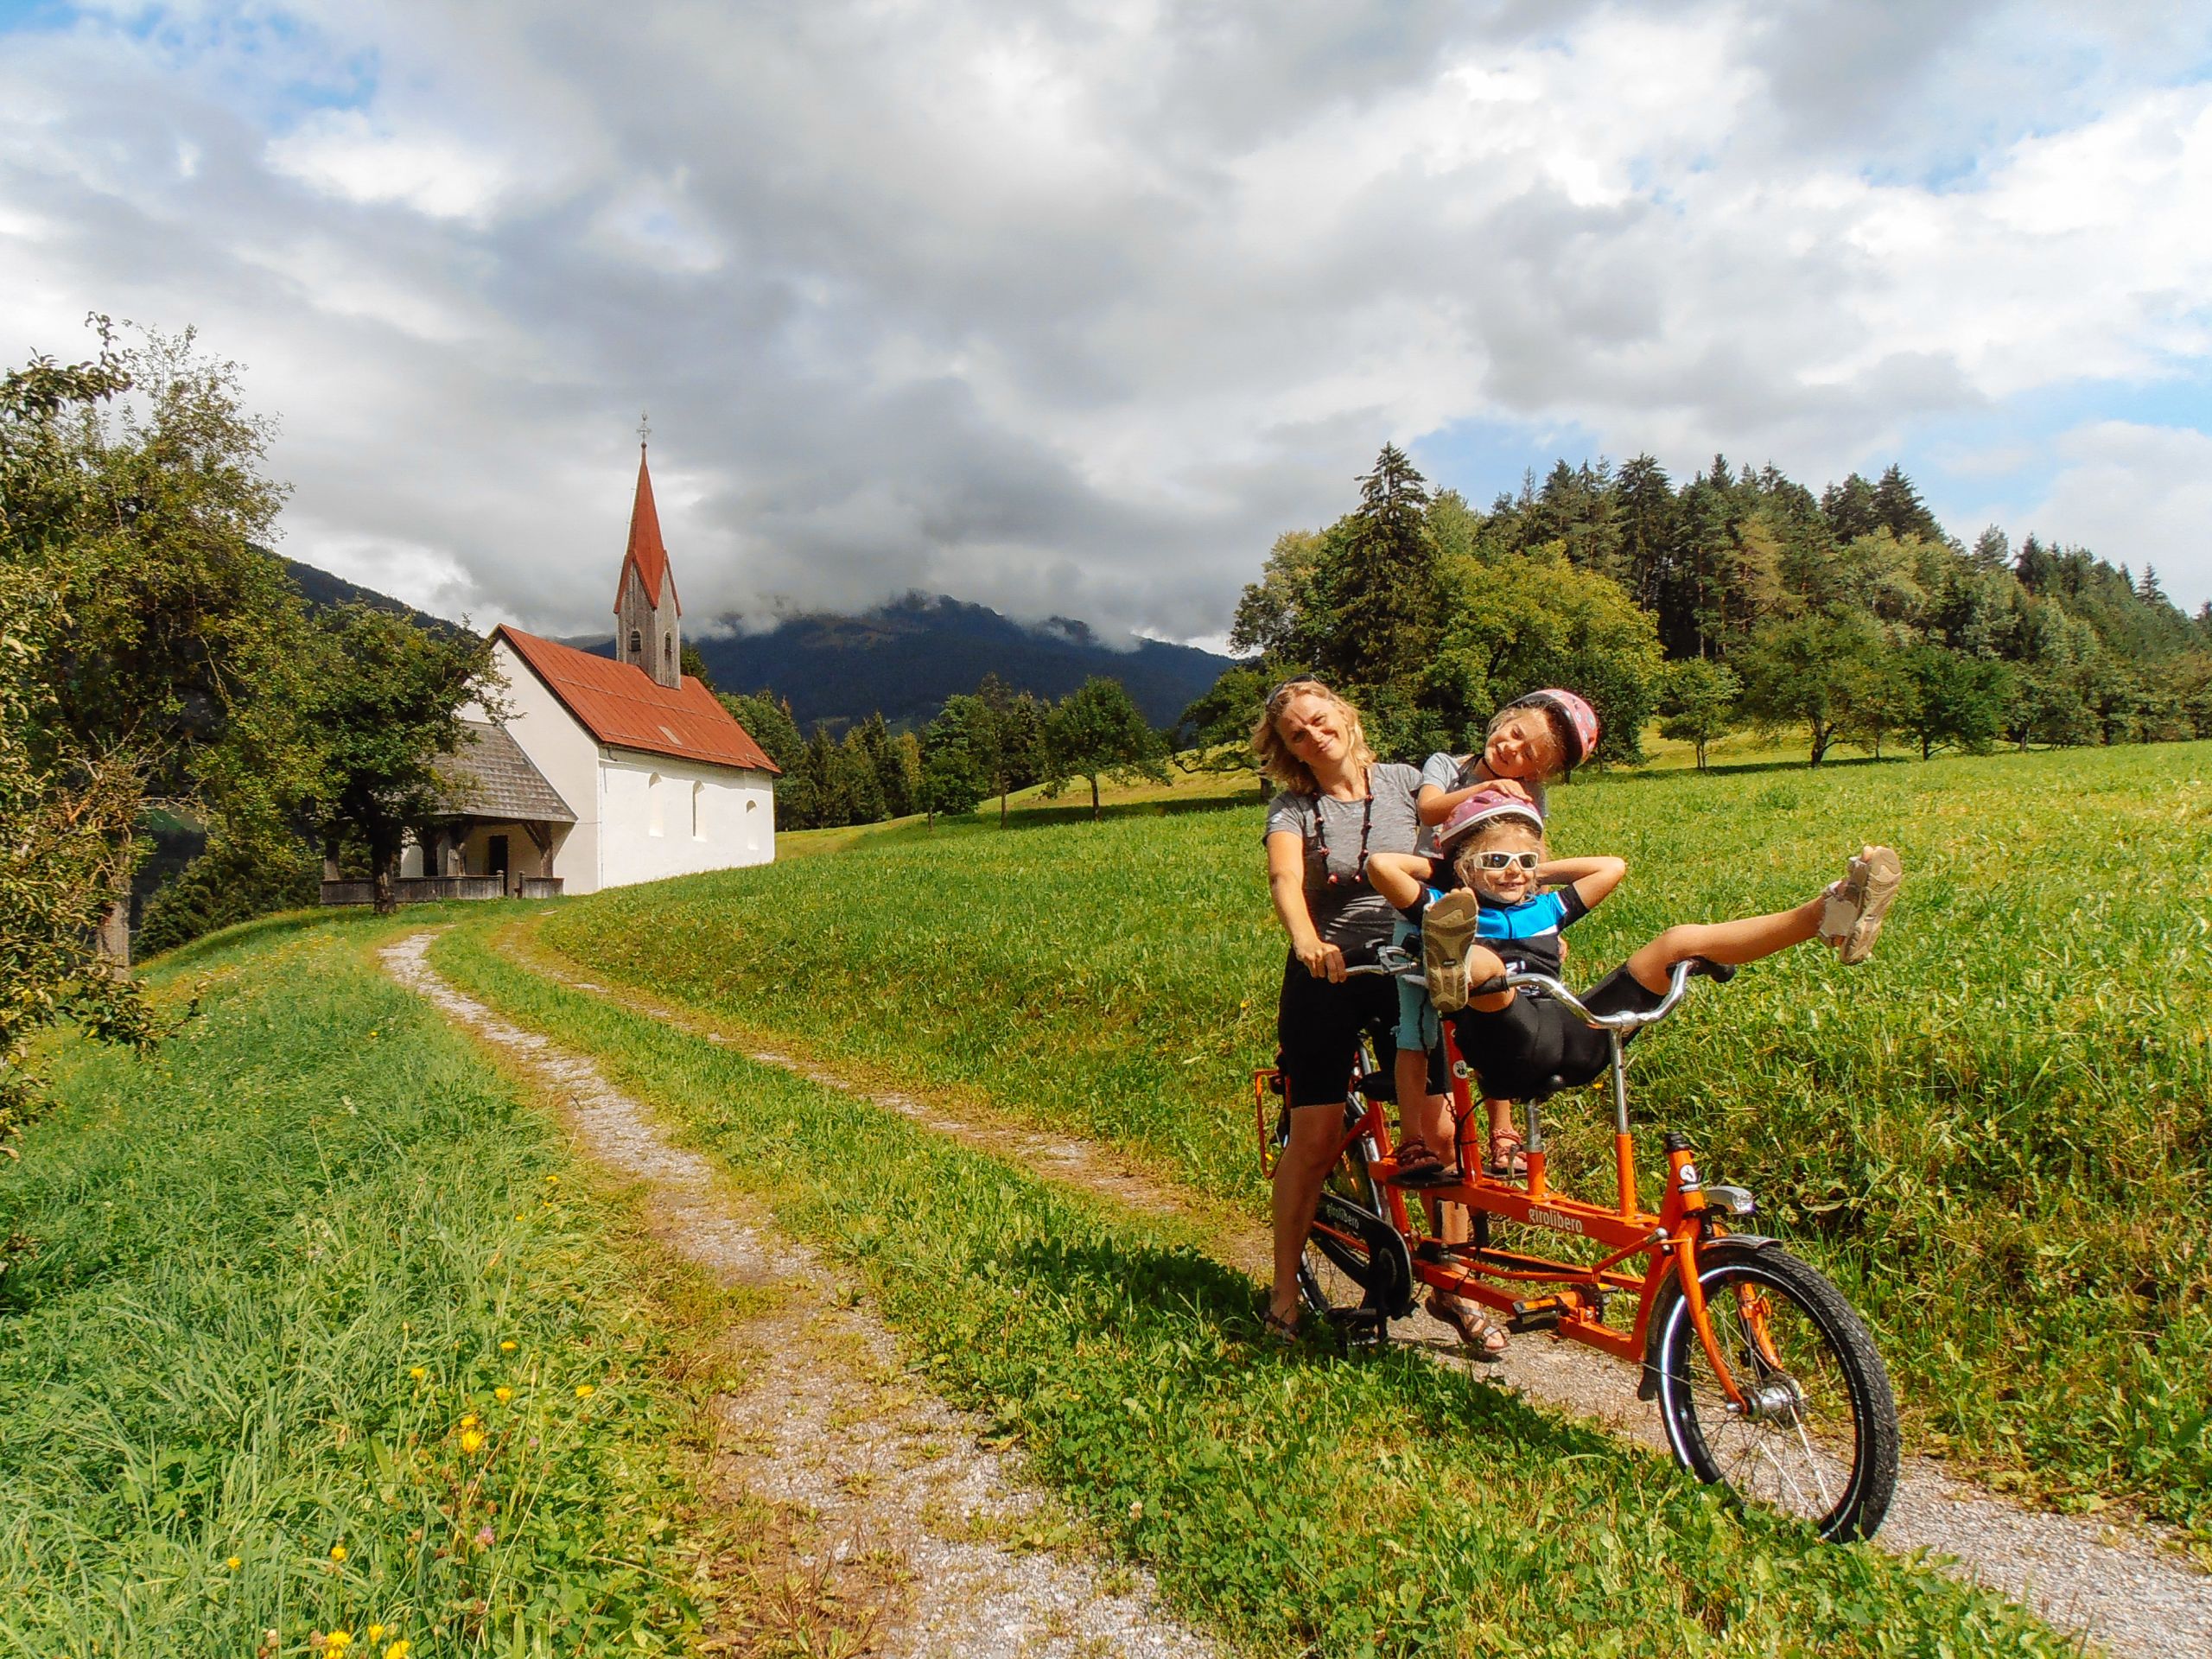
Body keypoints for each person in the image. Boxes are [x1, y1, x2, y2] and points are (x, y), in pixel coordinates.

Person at [1365, 791, 1903, 1112]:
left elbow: (1611, 867)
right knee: (1485, 965)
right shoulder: (1447, 899)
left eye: (1526, 861)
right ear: (1464, 868)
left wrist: (1531, 870)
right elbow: (1382, 868)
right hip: (1502, 1042)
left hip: (1577, 1034)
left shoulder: (1544, 910)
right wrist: (1452, 867)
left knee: (1677, 942)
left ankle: (1825, 915)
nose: (1515, 870)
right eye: (1498, 861)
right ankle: (1450, 955)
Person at [1252, 677, 1487, 1349]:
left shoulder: (1410, 783)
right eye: (1297, 733)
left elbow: (1467, 844)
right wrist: (1306, 941)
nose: (1313, 737)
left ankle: (1454, 1287)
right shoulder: (1291, 808)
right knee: (1316, 1138)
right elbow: (1285, 880)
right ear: (1286, 747)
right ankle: (1283, 1297)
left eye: (1320, 721)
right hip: (1329, 971)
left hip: (1410, 966)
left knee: (1440, 1134)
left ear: (1346, 717)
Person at [1405, 690, 1600, 1179]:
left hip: (1499, 912)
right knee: (1420, 1026)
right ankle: (1416, 1135)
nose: (1511, 748)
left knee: (1502, 1011)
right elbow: (1430, 811)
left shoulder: (1531, 795)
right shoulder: (1448, 766)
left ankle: (1502, 1129)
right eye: (1513, 732)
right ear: (1502, 720)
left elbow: (1527, 856)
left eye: (1529, 753)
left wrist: (1545, 921)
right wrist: (1483, 790)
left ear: (1539, 772)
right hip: (1437, 903)